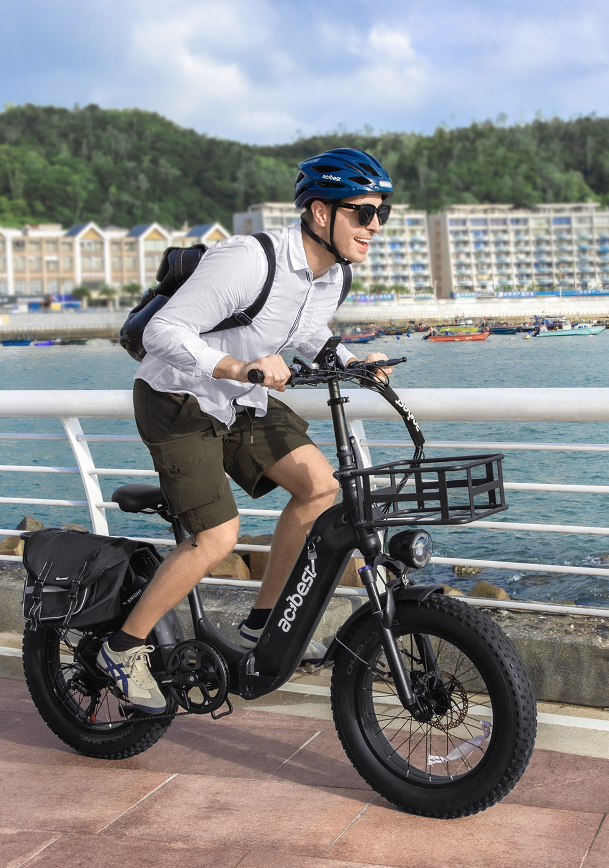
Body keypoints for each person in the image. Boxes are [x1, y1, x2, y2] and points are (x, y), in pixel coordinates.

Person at [97, 148, 396, 712]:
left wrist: (352, 358)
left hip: (242, 398)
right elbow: (164, 331)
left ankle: (263, 622)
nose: (374, 225)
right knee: (217, 536)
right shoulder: (248, 260)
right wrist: (236, 367)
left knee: (321, 487)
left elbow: (305, 331)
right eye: (361, 212)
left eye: (382, 212)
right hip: (177, 398)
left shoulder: (333, 276)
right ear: (318, 213)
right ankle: (123, 646)